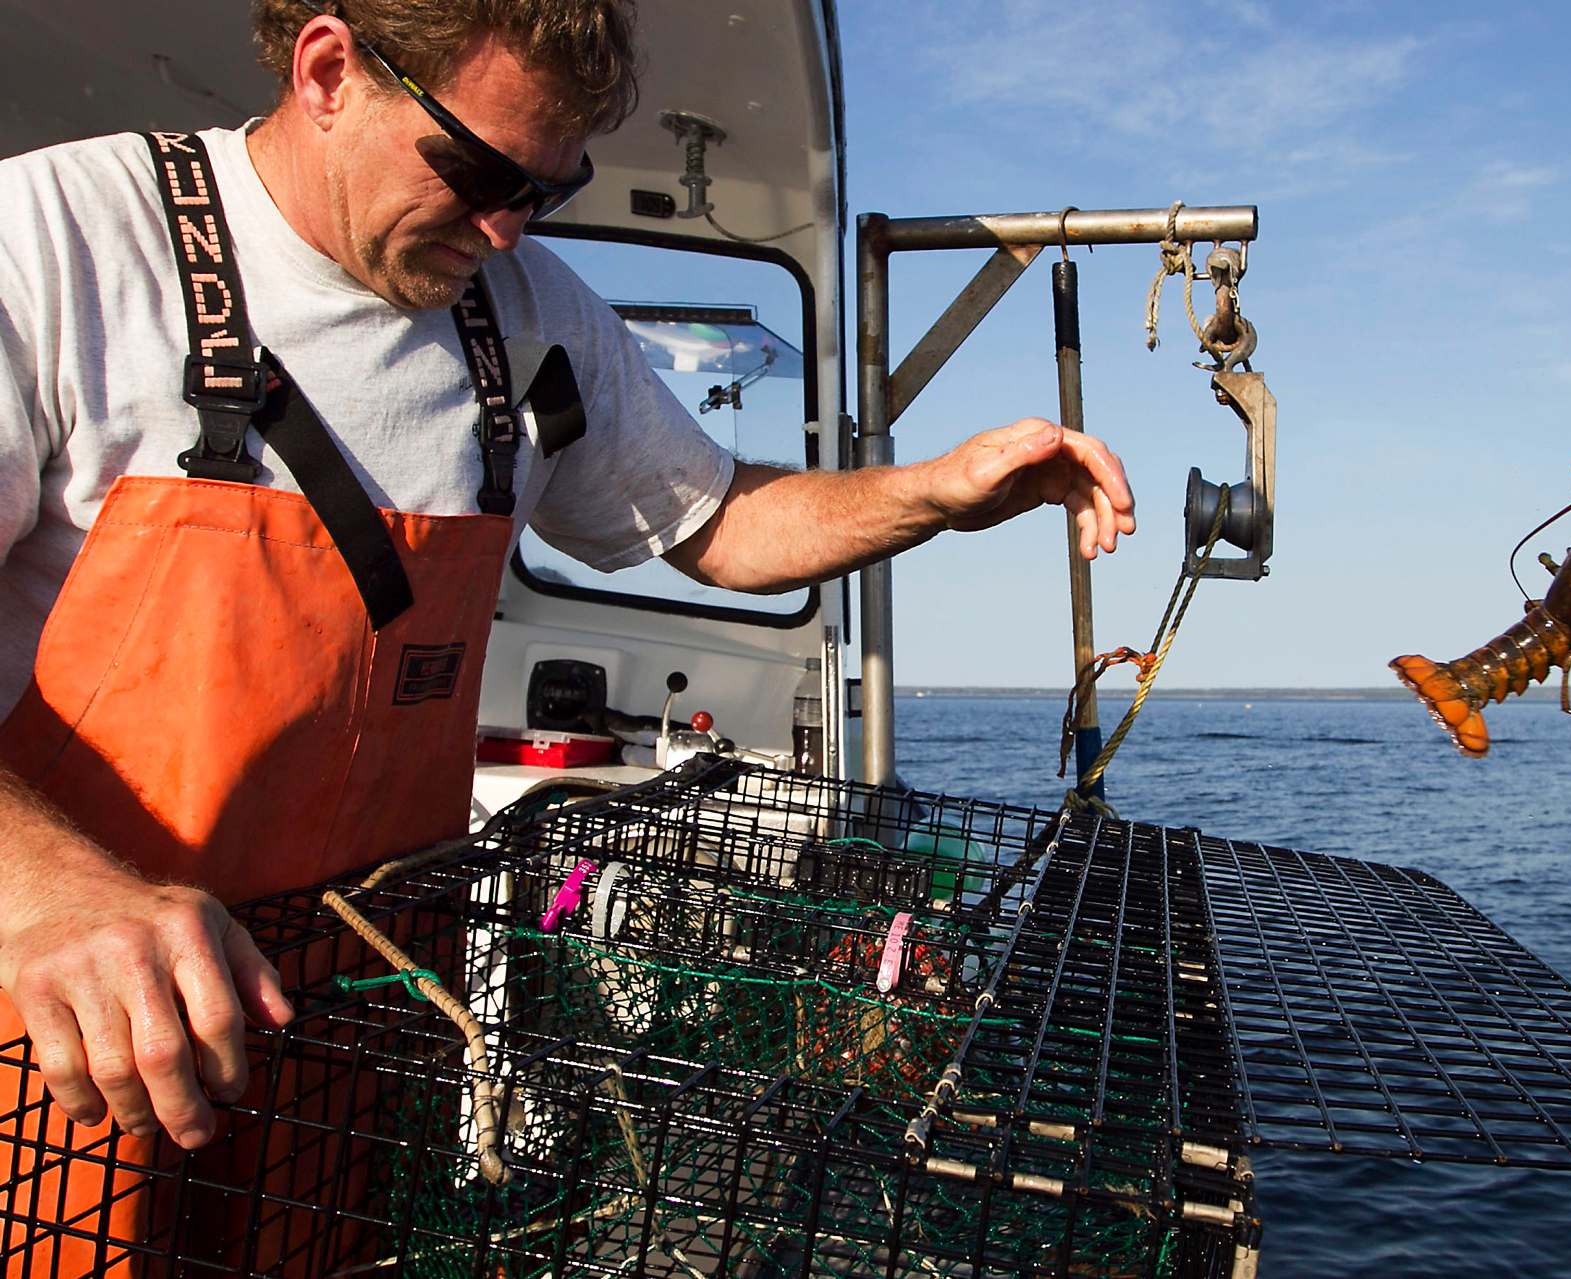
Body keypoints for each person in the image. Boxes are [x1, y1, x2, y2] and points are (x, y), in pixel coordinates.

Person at [0, 0, 1134, 1177]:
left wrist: (937, 495)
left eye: (545, 189)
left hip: (350, 1037)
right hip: (59, 1044)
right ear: (330, 69)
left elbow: (717, 521)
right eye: (476, 169)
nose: (503, 229)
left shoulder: (529, 319)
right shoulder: (59, 247)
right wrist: (55, 896)